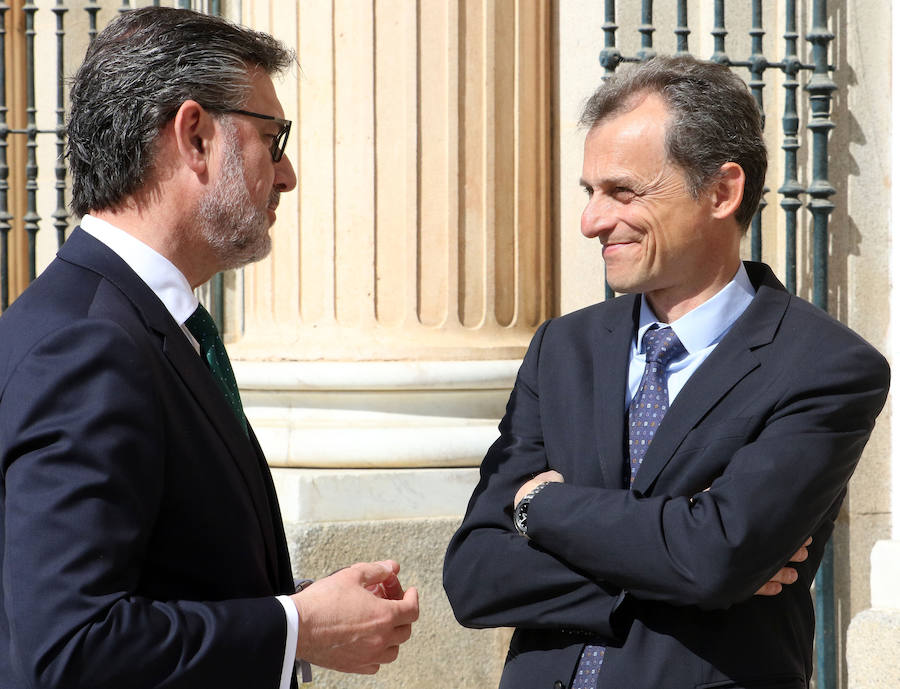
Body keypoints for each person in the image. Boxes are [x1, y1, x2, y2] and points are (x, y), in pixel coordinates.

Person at [0, 8, 418, 689]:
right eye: (271, 138)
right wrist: (295, 626)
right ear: (195, 135)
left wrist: (294, 603)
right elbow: (70, 648)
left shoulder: (124, 319)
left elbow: (151, 574)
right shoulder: (89, 345)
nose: (286, 176)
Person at [443, 55, 890, 689]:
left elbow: (715, 559)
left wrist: (539, 506)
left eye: (622, 192)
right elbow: (475, 578)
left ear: (722, 191)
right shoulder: (563, 350)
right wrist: (677, 552)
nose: (592, 221)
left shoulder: (826, 367)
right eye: (590, 193)